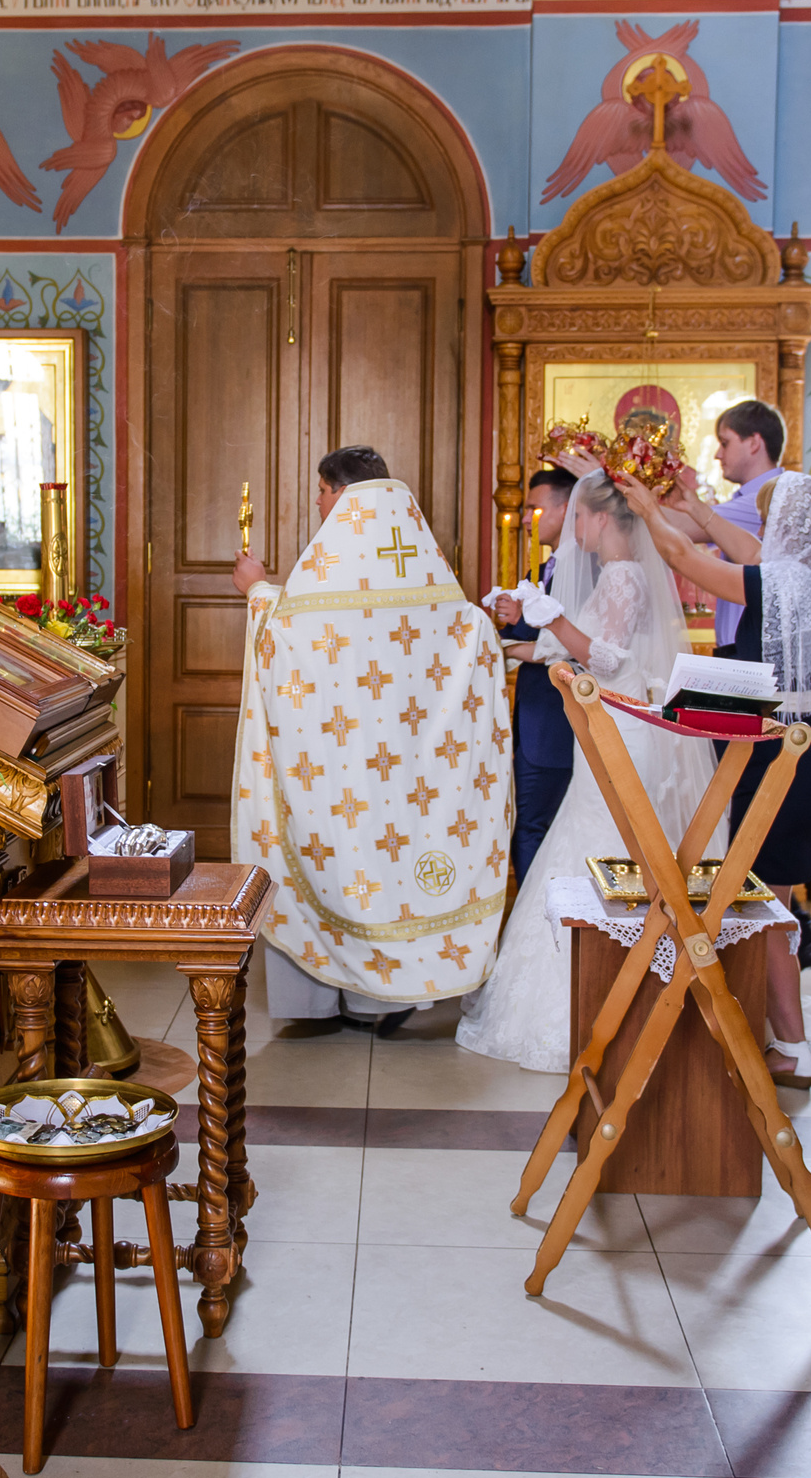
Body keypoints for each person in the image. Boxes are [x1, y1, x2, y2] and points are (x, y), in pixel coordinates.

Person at [232, 446, 510, 1032]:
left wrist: (257, 591)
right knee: (392, 868)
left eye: (323, 490)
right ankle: (383, 999)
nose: (317, 501)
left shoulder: (329, 570)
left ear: (344, 494)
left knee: (332, 853)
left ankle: (315, 1005)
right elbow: (469, 629)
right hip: (410, 777)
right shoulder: (418, 563)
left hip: (337, 772)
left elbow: (288, 636)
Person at [459, 472, 718, 1073]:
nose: (573, 529)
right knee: (582, 845)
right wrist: (508, 640)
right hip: (602, 730)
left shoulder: (625, 575)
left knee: (604, 846)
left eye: (579, 517)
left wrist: (548, 618)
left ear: (605, 519)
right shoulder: (615, 577)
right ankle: (593, 988)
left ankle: (603, 995)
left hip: (622, 732)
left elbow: (605, 658)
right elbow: (573, 652)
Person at [618, 468, 811, 1076]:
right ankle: (779, 1036)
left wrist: (649, 508)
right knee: (771, 903)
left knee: (764, 909)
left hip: (783, 760)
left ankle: (792, 1050)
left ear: (789, 527)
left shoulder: (781, 583)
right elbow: (744, 550)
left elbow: (680, 557)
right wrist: (696, 506)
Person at [492, 466, 581, 878]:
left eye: (535, 509)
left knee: (532, 828)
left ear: (566, 508)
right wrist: (511, 618)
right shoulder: (542, 570)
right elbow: (534, 629)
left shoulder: (581, 573)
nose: (528, 519)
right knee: (528, 827)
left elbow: (571, 645)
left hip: (556, 722)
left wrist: (503, 646)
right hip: (534, 719)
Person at [650, 398, 789, 655]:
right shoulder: (756, 497)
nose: (717, 454)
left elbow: (679, 527)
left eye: (725, 443)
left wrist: (619, 486)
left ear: (754, 442)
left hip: (749, 651)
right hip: (741, 648)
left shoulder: (766, 499)